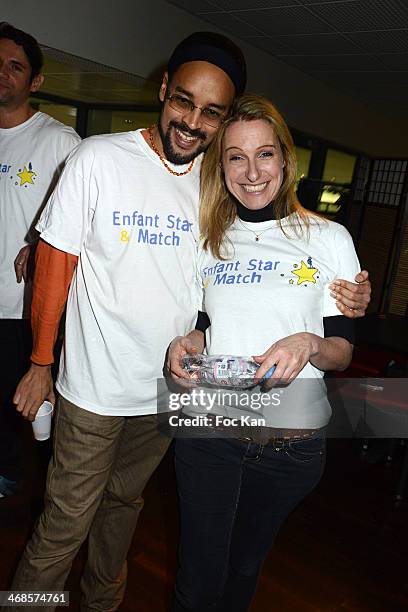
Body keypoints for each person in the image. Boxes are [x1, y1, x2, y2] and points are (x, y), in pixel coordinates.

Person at [9, 32, 369, 610]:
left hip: (170, 396)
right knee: (64, 525)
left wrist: (342, 301)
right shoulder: (99, 157)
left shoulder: (214, 185)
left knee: (124, 512)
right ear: (164, 91)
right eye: (183, 101)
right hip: (95, 391)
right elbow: (55, 260)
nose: (192, 121)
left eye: (211, 114)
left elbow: (213, 298)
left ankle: (101, 605)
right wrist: (39, 362)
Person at [168, 93, 364, 612]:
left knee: (244, 566)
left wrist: (309, 342)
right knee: (198, 572)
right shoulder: (208, 238)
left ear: (285, 158)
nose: (251, 171)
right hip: (209, 429)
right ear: (222, 164)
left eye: (265, 154)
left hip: (289, 445)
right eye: (236, 155)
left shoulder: (329, 238)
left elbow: (341, 353)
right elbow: (209, 327)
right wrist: (190, 342)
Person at [0, 22, 80, 498]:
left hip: (19, 307)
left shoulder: (59, 142)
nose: (3, 74)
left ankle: (8, 479)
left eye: (15, 67)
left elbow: (81, 219)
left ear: (35, 81)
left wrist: (40, 241)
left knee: (12, 407)